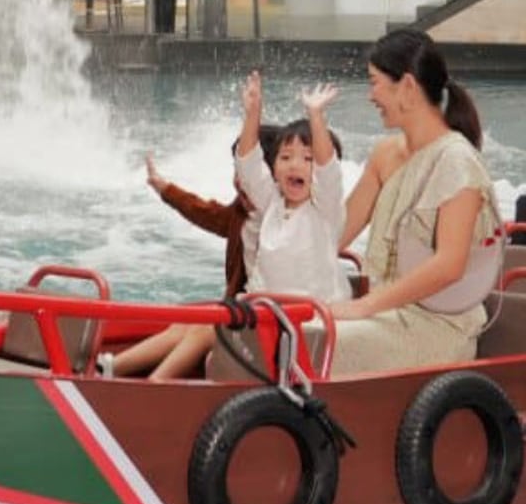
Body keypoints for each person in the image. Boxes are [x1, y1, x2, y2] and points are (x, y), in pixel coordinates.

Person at [330, 29, 502, 375]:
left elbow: (449, 265)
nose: (370, 95)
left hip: (435, 327)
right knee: (275, 330)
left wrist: (365, 307)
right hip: (384, 316)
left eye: (375, 82)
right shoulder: (384, 155)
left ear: (407, 87)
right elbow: (334, 234)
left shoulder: (456, 160)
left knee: (307, 342)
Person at [107, 122, 279, 381]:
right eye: (235, 170)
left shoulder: (282, 218)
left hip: (267, 317)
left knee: (203, 328)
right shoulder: (242, 213)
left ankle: (155, 386)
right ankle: (106, 369)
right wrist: (165, 189)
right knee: (185, 324)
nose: (237, 180)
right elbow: (207, 213)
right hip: (242, 309)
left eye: (245, 172)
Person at [235, 73, 351, 304]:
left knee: (204, 330)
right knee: (196, 328)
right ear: (274, 168)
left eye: (308, 159)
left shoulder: (325, 207)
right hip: (265, 308)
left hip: (314, 315)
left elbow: (327, 170)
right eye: (286, 157)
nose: (295, 165)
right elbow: (248, 164)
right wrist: (253, 114)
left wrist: (316, 115)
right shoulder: (272, 201)